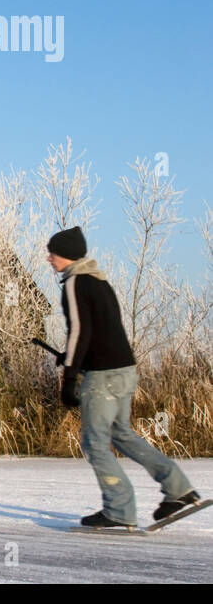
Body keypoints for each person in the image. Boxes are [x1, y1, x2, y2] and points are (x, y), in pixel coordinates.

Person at [47, 226, 200, 529]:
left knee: (94, 443)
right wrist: (72, 357)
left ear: (66, 254)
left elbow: (80, 331)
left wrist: (69, 377)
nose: (48, 258)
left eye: (52, 252)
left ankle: (119, 509)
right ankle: (178, 489)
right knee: (122, 434)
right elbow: (102, 330)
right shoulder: (99, 282)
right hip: (124, 370)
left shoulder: (75, 283)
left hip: (103, 377)